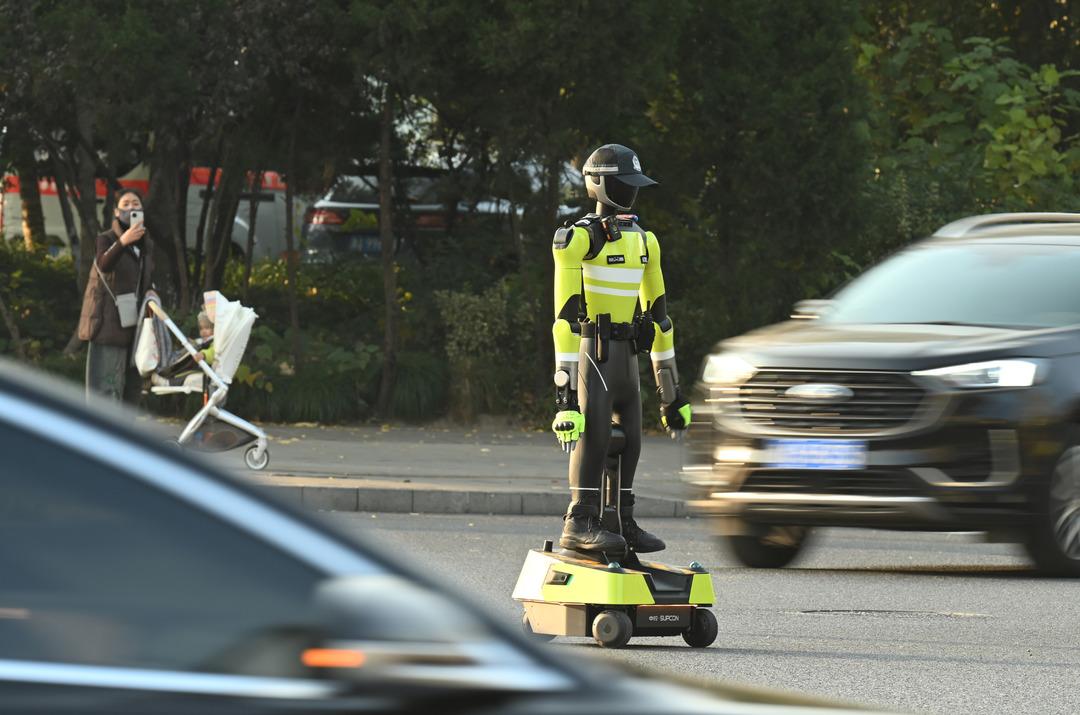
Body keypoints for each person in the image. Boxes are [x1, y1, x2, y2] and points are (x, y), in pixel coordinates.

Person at [550, 144, 692, 554]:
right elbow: (564, 320)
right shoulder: (578, 239)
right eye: (622, 184)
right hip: (594, 353)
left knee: (631, 439)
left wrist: (672, 397)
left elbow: (661, 321)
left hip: (627, 355)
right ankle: (579, 520)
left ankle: (620, 519)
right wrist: (564, 400)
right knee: (593, 437)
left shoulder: (647, 241)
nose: (631, 193)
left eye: (634, 185)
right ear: (597, 184)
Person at [79, 188, 154, 403]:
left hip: (135, 327)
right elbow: (104, 264)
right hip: (108, 325)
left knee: (132, 389)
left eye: (136, 203)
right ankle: (99, 434)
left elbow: (147, 279)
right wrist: (123, 241)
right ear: (116, 211)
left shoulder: (147, 243)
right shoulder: (106, 238)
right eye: (126, 204)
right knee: (106, 390)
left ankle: (122, 434)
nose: (131, 208)